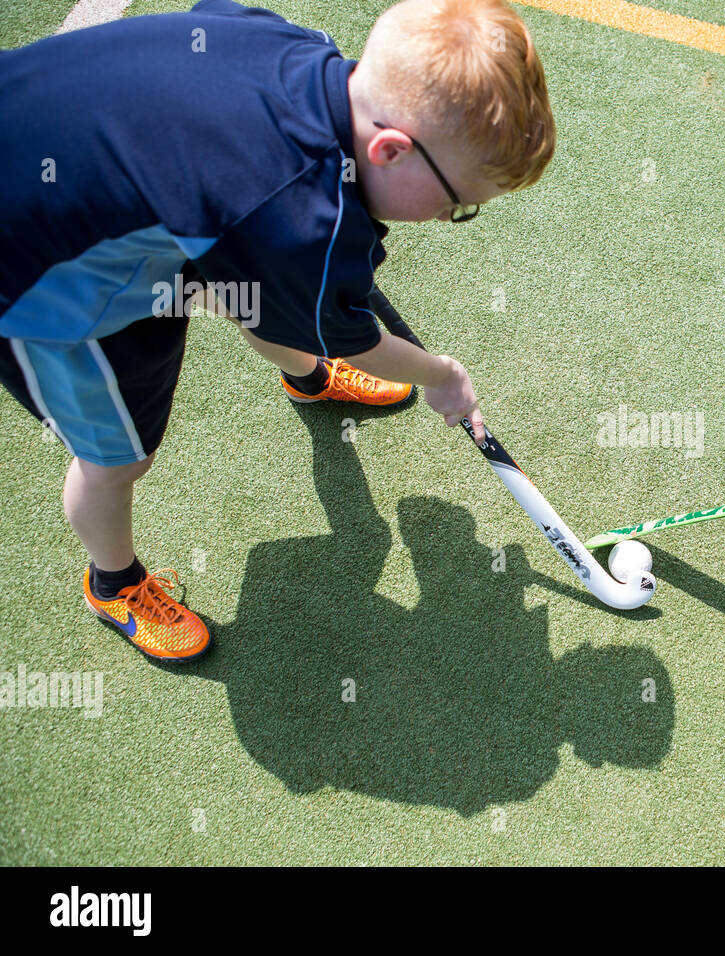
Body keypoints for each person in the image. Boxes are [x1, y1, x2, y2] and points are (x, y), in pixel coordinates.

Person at [0, 0, 555, 659]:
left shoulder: (296, 51)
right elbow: (351, 330)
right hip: (39, 275)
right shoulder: (294, 221)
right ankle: (113, 581)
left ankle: (307, 378)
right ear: (389, 150)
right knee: (118, 455)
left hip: (141, 188)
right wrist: (442, 376)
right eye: (457, 206)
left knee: (247, 282)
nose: (449, 218)